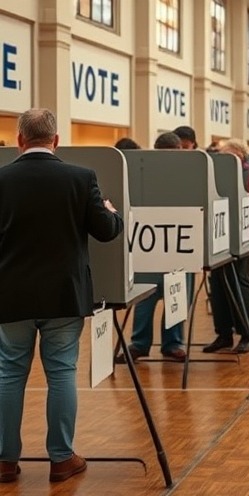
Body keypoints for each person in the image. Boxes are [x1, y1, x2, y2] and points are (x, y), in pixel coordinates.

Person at [0, 108, 123, 482]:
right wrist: (110, 212)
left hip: (10, 293)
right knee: (62, 373)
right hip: (64, 295)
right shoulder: (81, 178)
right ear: (55, 141)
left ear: (20, 140)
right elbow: (106, 232)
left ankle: (4, 461)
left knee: (7, 374)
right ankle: (60, 458)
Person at [116, 132, 194, 363]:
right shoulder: (185, 171)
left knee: (160, 296)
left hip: (155, 242)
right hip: (169, 242)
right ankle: (166, 344)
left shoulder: (144, 169)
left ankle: (146, 344)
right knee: (164, 296)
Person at [204, 140, 249, 353]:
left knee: (242, 283)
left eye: (230, 154)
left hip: (247, 237)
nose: (225, 158)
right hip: (219, 236)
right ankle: (223, 334)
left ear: (241, 155)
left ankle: (248, 333)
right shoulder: (214, 173)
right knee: (217, 285)